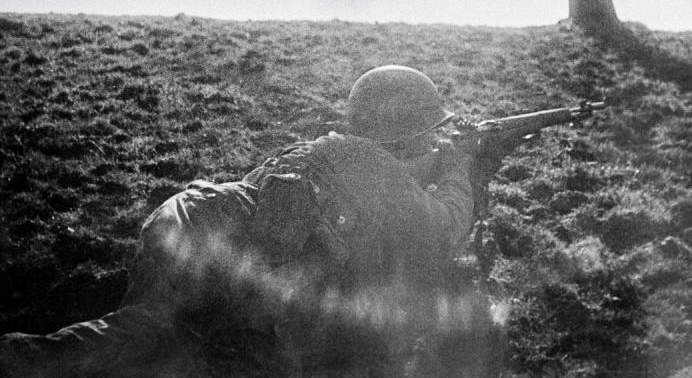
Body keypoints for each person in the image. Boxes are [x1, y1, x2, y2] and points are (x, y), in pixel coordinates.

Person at [1, 65, 496, 378]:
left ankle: (20, 357)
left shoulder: (311, 151)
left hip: (189, 217)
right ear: (404, 138)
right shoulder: (381, 172)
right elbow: (444, 227)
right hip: (232, 259)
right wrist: (458, 168)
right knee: (221, 359)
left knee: (144, 330)